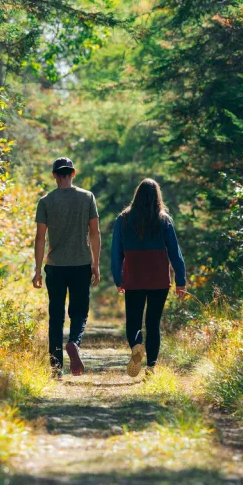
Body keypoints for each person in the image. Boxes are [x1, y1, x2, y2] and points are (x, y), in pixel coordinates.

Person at [110, 178, 186, 378]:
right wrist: (181, 280)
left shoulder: (123, 219)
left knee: (133, 321)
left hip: (134, 276)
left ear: (137, 195)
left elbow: (116, 252)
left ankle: (136, 345)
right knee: (153, 323)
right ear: (157, 197)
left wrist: (118, 278)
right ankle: (151, 367)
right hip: (158, 278)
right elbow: (175, 252)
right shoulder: (164, 220)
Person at [32, 157, 100, 378]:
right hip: (81, 264)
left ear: (54, 175)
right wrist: (96, 264)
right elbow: (94, 233)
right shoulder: (87, 197)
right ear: (73, 173)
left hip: (55, 266)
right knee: (79, 311)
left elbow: (40, 238)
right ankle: (73, 342)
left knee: (56, 315)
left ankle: (56, 367)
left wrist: (37, 269)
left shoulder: (46, 201)